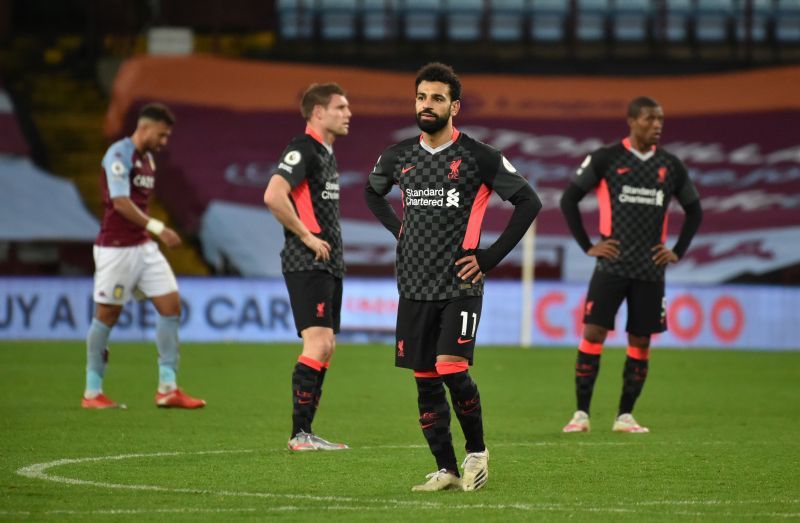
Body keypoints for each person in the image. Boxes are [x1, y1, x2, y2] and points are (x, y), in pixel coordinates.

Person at [365, 63, 541, 492]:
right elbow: (372, 190)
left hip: (460, 284)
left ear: (454, 106)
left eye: (437, 98)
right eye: (422, 97)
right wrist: (397, 228)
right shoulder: (398, 155)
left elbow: (529, 202)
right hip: (413, 285)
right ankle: (444, 468)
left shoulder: (479, 156)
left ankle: (477, 452)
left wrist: (489, 258)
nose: (427, 105)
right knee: (424, 379)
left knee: (451, 367)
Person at [560, 96, 702, 434]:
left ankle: (625, 415)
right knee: (593, 333)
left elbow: (694, 210)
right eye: (651, 119)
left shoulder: (671, 165)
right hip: (612, 266)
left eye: (661, 120)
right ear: (632, 121)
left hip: (651, 270)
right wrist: (589, 246)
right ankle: (581, 414)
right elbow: (568, 199)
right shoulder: (607, 158)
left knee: (641, 341)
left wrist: (677, 250)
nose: (657, 125)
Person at [82, 103, 205, 410]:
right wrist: (158, 228)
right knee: (106, 316)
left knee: (171, 305)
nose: (164, 142)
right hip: (116, 248)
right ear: (146, 127)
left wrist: (151, 233)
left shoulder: (148, 158)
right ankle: (92, 392)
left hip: (143, 247)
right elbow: (121, 203)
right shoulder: (119, 155)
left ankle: (167, 388)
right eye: (162, 135)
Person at [264, 83, 351, 452]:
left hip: (328, 264)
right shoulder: (304, 149)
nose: (349, 114)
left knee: (326, 345)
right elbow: (273, 194)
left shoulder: (326, 153)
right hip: (308, 261)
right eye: (341, 107)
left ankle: (307, 433)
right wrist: (306, 236)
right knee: (317, 342)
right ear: (318, 112)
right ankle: (299, 435)